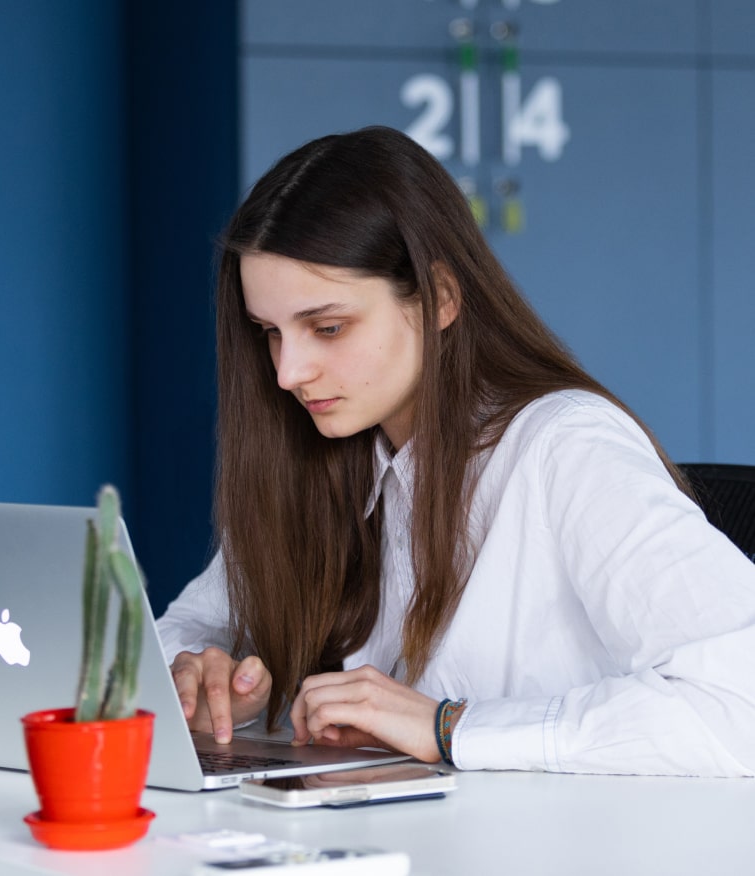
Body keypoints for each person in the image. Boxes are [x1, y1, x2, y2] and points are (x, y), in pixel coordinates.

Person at [156, 125, 755, 777]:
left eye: (327, 328)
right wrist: (201, 677)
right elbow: (184, 632)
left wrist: (447, 725)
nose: (287, 373)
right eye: (269, 333)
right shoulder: (316, 461)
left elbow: (738, 703)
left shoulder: (564, 447)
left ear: (440, 299)